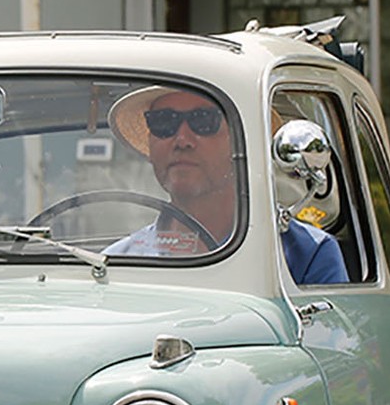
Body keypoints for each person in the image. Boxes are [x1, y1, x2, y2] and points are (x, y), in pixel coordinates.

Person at [106, 86, 348, 283]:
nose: (182, 140)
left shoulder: (307, 256)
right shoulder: (115, 265)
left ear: (243, 140)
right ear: (151, 141)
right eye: (163, 122)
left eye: (203, 120)